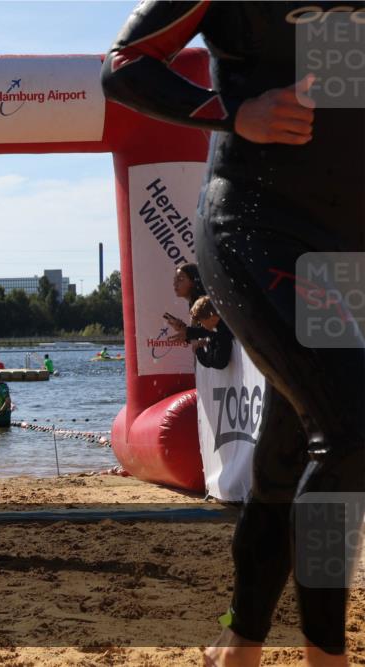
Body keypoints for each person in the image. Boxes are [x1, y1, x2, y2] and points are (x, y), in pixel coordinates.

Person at [103, 3, 364, 665]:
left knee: (287, 456)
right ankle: (325, 655)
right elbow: (125, 65)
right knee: (352, 433)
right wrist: (232, 110)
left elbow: (344, 86)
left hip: (343, 253)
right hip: (256, 221)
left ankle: (240, 643)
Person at [189, 296, 233, 370]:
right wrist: (206, 344)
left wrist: (199, 349)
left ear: (212, 318)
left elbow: (219, 363)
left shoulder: (223, 331)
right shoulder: (218, 328)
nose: (202, 325)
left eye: (201, 322)